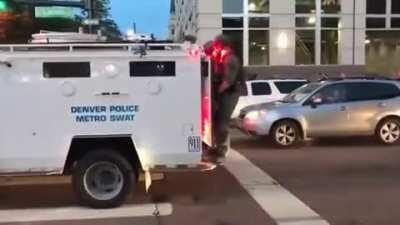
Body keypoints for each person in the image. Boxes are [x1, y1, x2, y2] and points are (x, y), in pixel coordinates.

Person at [203, 35, 245, 164]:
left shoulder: (230, 59)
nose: (214, 48)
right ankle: (215, 148)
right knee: (216, 120)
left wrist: (212, 94)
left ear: (221, 44)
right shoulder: (222, 56)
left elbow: (227, 82)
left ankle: (221, 151)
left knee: (222, 121)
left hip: (230, 92)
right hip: (226, 91)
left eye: (215, 45)